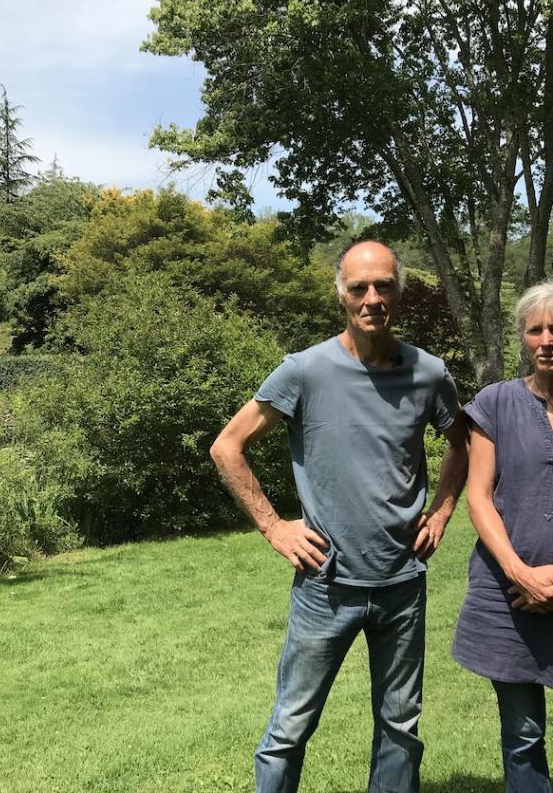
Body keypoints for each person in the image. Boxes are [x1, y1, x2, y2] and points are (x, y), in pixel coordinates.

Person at [210, 240, 468, 793]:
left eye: (384, 286)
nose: (372, 298)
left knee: (400, 727)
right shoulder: (304, 371)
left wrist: (443, 511)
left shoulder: (428, 373)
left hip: (403, 584)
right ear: (342, 295)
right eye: (359, 288)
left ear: (399, 291)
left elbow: (460, 445)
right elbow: (227, 446)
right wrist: (275, 527)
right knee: (290, 727)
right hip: (325, 585)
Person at [452, 281, 553, 793]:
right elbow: (478, 496)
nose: (546, 339)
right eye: (535, 329)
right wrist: (520, 573)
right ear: (522, 338)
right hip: (507, 598)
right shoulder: (494, 403)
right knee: (523, 733)